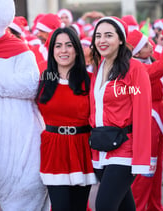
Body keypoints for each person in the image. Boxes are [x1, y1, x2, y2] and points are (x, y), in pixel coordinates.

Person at [89, 16, 152, 211]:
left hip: (125, 149)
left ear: (121, 39)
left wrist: (141, 159)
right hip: (100, 147)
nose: (102, 40)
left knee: (104, 206)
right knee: (124, 206)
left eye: (109, 35)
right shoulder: (97, 68)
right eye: (98, 36)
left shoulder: (135, 69)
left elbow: (143, 114)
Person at [36, 27, 97, 211]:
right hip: (53, 151)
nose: (63, 50)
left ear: (77, 50)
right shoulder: (44, 79)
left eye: (69, 45)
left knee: (79, 207)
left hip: (82, 149)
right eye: (58, 46)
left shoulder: (90, 80)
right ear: (52, 50)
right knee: (60, 206)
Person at [127, 28, 163, 211]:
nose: (152, 46)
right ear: (137, 52)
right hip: (149, 119)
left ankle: (155, 207)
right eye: (147, 44)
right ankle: (138, 207)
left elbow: (156, 52)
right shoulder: (138, 67)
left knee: (155, 172)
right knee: (146, 171)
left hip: (159, 117)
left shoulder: (145, 57)